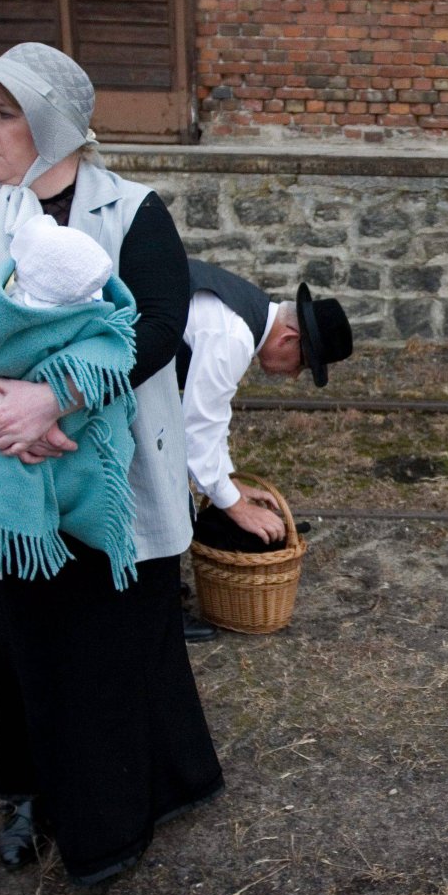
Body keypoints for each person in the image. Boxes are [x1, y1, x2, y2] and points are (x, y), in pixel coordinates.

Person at [0, 42, 223, 891]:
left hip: (112, 478)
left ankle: (121, 811)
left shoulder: (131, 213)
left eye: (3, 114)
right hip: (7, 476)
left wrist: (54, 401)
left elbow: (157, 325)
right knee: (26, 646)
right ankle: (37, 793)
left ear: (52, 125)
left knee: (116, 646)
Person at [0, 213, 140, 588]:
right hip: (22, 430)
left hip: (53, 431)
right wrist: (6, 414)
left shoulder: (134, 208)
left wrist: (49, 400)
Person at [177, 260, 352, 631]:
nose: (292, 376)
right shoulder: (233, 336)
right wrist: (236, 507)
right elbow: (195, 430)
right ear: (289, 339)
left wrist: (228, 480)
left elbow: (213, 418)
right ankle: (152, 608)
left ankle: (152, 595)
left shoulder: (246, 313)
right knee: (156, 486)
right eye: (301, 366)